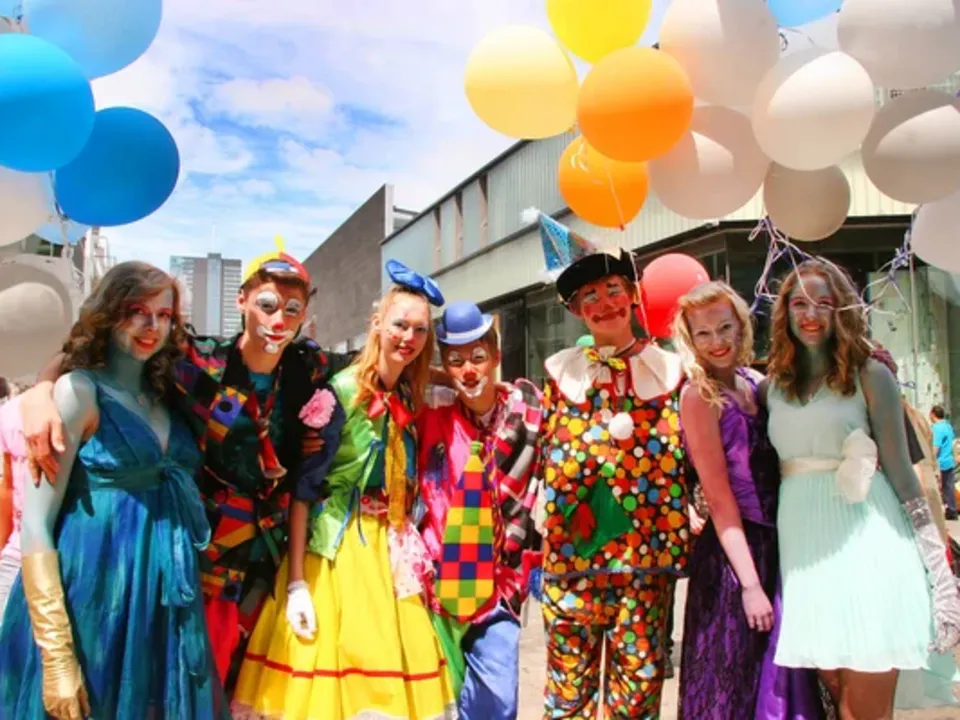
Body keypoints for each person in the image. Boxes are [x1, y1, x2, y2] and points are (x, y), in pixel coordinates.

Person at [18, 238, 352, 693]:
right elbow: (86, 350)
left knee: (262, 690)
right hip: (201, 556)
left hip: (272, 557)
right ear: (242, 300)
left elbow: (376, 363)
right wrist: (42, 389)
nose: (279, 320)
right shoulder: (199, 361)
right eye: (268, 305)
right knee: (191, 681)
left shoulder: (308, 364)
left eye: (292, 310)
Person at [231, 260, 456, 720]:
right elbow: (304, 491)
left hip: (390, 549)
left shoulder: (406, 393)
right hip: (336, 552)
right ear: (377, 324)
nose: (408, 337)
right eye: (400, 325)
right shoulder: (340, 393)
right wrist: (297, 582)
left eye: (419, 329)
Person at [0, 262, 223, 719]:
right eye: (137, 310)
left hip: (161, 599)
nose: (152, 325)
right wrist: (56, 654)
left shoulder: (170, 393)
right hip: (92, 591)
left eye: (164, 314)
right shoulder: (78, 392)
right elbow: (37, 524)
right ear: (109, 311)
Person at [765, 258, 960, 717]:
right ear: (785, 312)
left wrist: (941, 571)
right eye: (799, 304)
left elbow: (904, 475)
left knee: (862, 706)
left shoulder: (870, 374)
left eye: (824, 303)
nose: (811, 315)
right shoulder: (773, 385)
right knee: (837, 697)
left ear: (842, 311)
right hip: (805, 558)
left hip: (870, 544)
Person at [529, 211, 688, 718]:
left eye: (613, 289)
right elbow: (539, 450)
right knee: (566, 694)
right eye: (589, 297)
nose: (603, 303)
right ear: (577, 311)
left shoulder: (672, 372)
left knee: (636, 691)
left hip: (645, 561)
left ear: (633, 295)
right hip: (573, 559)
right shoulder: (560, 374)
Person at [674, 281, 823, 719]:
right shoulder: (697, 397)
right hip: (731, 563)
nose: (717, 342)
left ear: (741, 326)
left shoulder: (755, 384)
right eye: (703, 333)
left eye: (725, 327)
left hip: (780, 548)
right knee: (729, 690)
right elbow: (720, 501)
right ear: (690, 339)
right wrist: (751, 586)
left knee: (776, 685)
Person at [417, 301, 543, 718]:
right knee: (440, 700)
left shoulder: (528, 414)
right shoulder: (434, 416)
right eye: (456, 362)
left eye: (477, 357)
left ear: (496, 356)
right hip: (438, 582)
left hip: (501, 582)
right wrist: (439, 378)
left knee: (498, 699)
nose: (469, 370)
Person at [0, 390, 29, 625]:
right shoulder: (11, 413)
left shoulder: (11, 411)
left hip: (19, 552)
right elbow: (7, 490)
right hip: (17, 554)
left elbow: (7, 490)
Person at [930, 405, 957, 520]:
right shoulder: (948, 426)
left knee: (938, 488)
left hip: (940, 462)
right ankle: (952, 510)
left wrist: (931, 460)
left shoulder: (937, 428)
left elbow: (936, 446)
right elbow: (953, 442)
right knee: (949, 487)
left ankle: (940, 511)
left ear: (932, 414)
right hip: (949, 461)